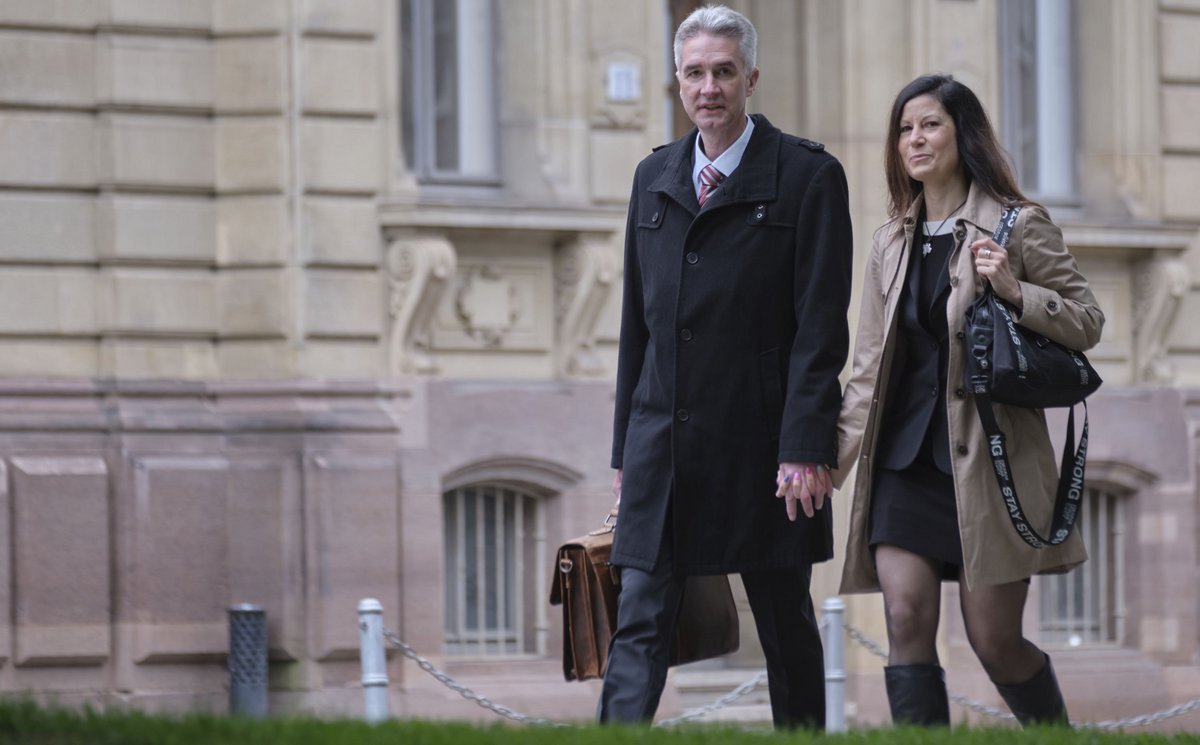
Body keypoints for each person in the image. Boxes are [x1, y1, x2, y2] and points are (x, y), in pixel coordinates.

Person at [599, 4, 852, 730]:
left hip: (765, 446)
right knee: (639, 617)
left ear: (751, 79)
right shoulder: (653, 176)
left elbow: (819, 328)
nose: (708, 87)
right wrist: (625, 455)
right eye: (695, 73)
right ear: (677, 80)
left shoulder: (809, 176)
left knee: (783, 623)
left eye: (724, 72)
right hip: (663, 447)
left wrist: (806, 444)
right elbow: (635, 331)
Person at [832, 73, 1104, 727]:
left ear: (963, 134)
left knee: (994, 641)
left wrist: (1014, 290)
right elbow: (867, 368)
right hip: (904, 461)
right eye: (904, 128)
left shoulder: (1017, 223)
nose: (915, 139)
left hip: (990, 463)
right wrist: (824, 462)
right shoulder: (888, 242)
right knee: (904, 617)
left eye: (930, 124)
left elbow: (1087, 320)